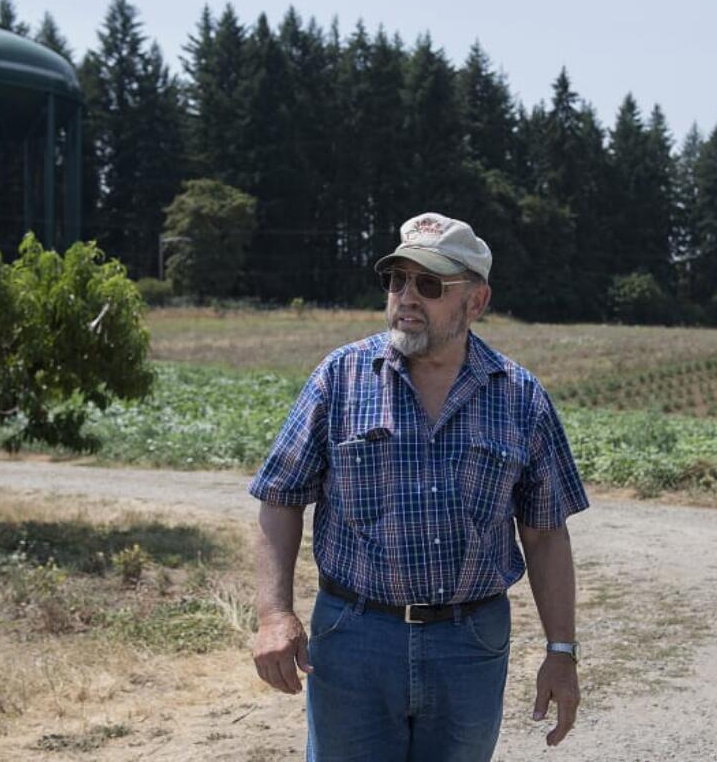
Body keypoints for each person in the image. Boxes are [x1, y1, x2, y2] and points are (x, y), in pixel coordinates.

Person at [249, 212, 589, 761]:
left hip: (469, 643)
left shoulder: (520, 398)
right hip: (354, 636)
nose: (406, 296)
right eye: (397, 280)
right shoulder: (340, 378)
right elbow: (280, 497)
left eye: (429, 285)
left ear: (475, 302)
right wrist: (274, 616)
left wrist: (561, 651)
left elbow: (547, 535)